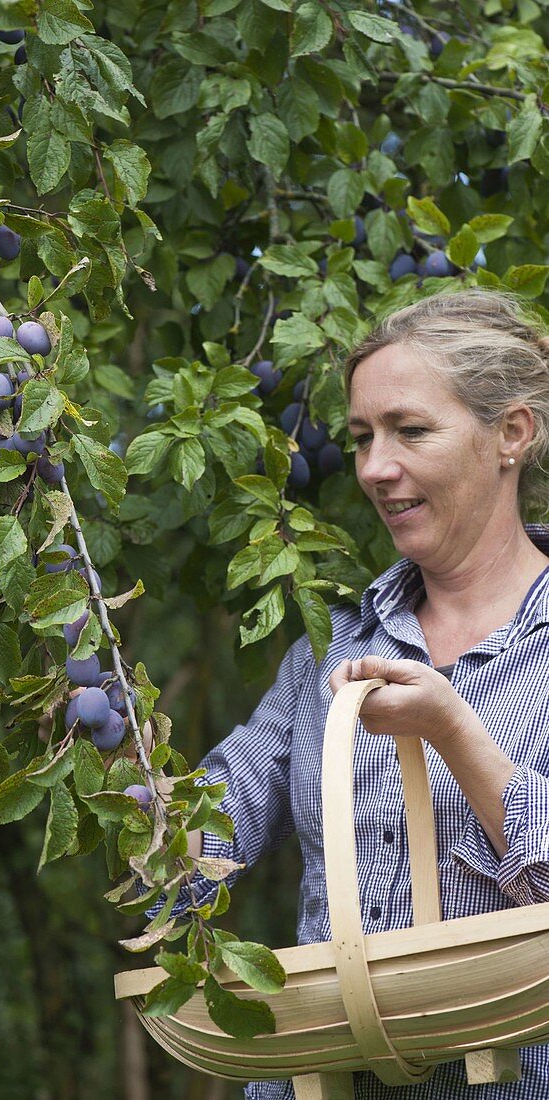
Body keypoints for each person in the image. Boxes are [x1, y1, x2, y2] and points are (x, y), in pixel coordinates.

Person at [164, 288, 549, 1099]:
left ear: (512, 433)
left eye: (410, 430)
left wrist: (452, 728)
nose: (375, 467)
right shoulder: (334, 642)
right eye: (363, 437)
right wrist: (140, 807)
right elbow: (202, 840)